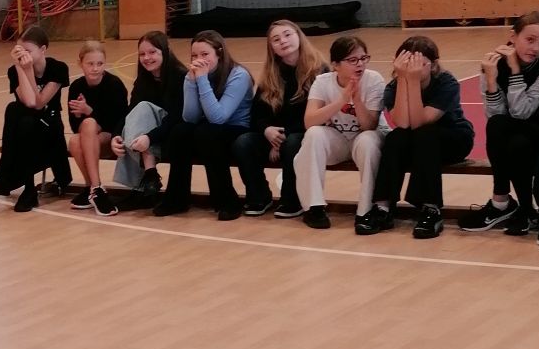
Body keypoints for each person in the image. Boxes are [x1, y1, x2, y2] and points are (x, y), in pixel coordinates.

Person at [359, 34, 474, 239]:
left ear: (433, 65)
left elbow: (421, 121)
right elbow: (403, 124)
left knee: (426, 134)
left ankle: (431, 208)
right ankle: (383, 207)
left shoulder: (446, 83)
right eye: (406, 63)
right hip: (418, 141)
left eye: (419, 63)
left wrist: (411, 80)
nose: (412, 68)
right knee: (395, 138)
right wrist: (404, 80)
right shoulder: (393, 87)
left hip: (453, 138)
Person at [459, 11, 539, 236]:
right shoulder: (492, 64)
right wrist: (491, 81)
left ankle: (505, 203)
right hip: (516, 134)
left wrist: (514, 71)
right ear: (513, 37)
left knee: (513, 136)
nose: (536, 48)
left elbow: (522, 112)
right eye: (530, 40)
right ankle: (520, 208)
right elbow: (495, 115)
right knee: (509, 136)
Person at [153, 30, 254, 219]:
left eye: (205, 54)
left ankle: (227, 201)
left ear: (219, 53)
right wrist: (191, 83)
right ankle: (176, 199)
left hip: (236, 127)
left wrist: (202, 80)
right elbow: (190, 117)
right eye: (194, 55)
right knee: (180, 131)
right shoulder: (192, 75)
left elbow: (219, 117)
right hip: (208, 126)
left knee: (207, 133)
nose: (199, 59)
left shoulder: (239, 75)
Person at [233, 19, 324, 217]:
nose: (283, 41)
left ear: (299, 36)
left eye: (287, 35)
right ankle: (259, 197)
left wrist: (281, 139)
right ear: (271, 48)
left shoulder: (319, 71)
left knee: (293, 143)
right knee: (244, 142)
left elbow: (316, 115)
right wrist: (266, 130)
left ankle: (292, 200)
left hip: (304, 134)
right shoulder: (270, 76)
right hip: (273, 136)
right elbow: (257, 114)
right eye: (276, 39)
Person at [294, 35, 386, 230]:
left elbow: (369, 125)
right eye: (352, 60)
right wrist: (341, 100)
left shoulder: (374, 80)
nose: (360, 64)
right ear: (335, 65)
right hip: (339, 140)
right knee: (314, 135)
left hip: (364, 138)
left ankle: (366, 209)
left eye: (363, 58)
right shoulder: (322, 82)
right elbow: (309, 121)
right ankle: (314, 207)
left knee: (368, 140)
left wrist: (357, 99)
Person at [0, 23, 69, 212]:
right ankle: (27, 189)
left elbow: (38, 104)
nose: (22, 55)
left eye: (28, 51)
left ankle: (7, 179)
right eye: (20, 50)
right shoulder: (14, 71)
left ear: (43, 49)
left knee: (20, 116)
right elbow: (27, 101)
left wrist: (28, 70)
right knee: (15, 111)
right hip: (25, 125)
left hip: (50, 124)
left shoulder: (58, 68)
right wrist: (20, 68)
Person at [112, 30, 185, 196]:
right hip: (147, 134)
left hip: (172, 133)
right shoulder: (143, 80)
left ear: (164, 52)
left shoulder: (180, 77)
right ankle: (149, 179)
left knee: (143, 108)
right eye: (142, 54)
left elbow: (176, 118)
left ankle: (145, 181)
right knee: (137, 114)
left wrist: (149, 138)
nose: (146, 58)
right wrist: (115, 135)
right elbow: (130, 112)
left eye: (152, 52)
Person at [66, 41, 128, 215]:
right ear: (80, 63)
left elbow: (119, 122)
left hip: (113, 138)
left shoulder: (114, 84)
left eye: (100, 64)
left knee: (89, 123)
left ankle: (93, 188)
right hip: (89, 138)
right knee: (74, 140)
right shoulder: (76, 87)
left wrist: (89, 111)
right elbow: (74, 126)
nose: (95, 68)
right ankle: (95, 188)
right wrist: (83, 116)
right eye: (90, 64)